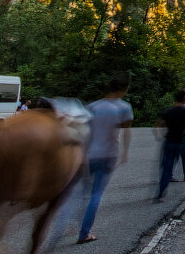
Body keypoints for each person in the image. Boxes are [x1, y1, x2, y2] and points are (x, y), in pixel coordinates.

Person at [74, 73, 134, 245]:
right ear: (124, 89)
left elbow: (83, 132)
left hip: (89, 155)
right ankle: (84, 233)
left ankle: (75, 222)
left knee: (84, 192)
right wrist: (125, 153)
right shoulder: (124, 107)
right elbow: (127, 131)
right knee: (97, 194)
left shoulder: (93, 106)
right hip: (108, 155)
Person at [155, 89, 185, 202]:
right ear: (184, 98)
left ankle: (161, 192)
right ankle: (181, 178)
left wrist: (158, 135)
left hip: (168, 140)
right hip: (179, 140)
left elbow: (159, 123)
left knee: (166, 166)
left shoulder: (169, 110)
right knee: (175, 162)